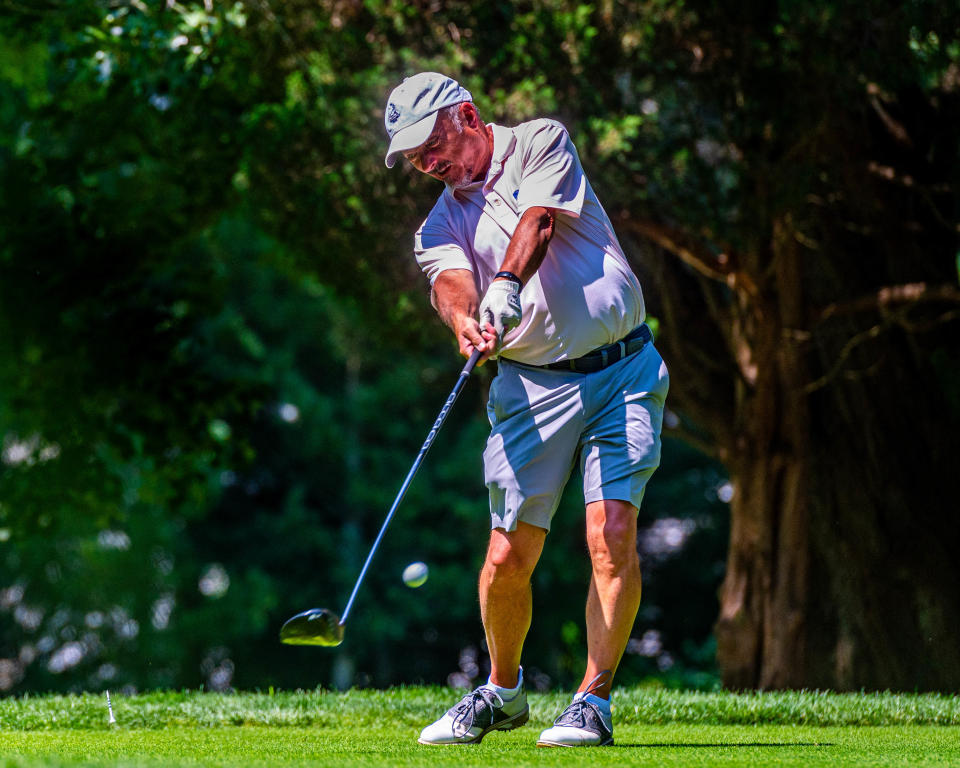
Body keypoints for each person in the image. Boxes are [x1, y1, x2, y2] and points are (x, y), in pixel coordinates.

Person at [383, 72, 669, 748]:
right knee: (508, 555)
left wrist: (507, 283)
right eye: (414, 155)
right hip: (531, 388)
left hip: (622, 368)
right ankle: (503, 692)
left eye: (431, 142)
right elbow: (449, 283)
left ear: (468, 116)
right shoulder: (437, 224)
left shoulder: (541, 141)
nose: (427, 161)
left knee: (613, 534)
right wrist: (466, 323)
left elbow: (540, 221)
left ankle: (592, 701)